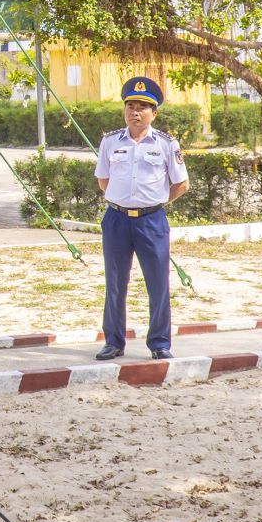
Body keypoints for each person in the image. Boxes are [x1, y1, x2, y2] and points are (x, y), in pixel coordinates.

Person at [92, 76, 189, 362]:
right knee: (115, 283)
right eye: (131, 106)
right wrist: (123, 201)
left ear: (153, 113)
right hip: (117, 219)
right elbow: (103, 180)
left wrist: (154, 204)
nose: (135, 112)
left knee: (158, 284)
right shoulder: (110, 141)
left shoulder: (166, 144)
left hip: (151, 221)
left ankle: (159, 343)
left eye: (143, 107)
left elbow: (181, 184)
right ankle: (113, 342)